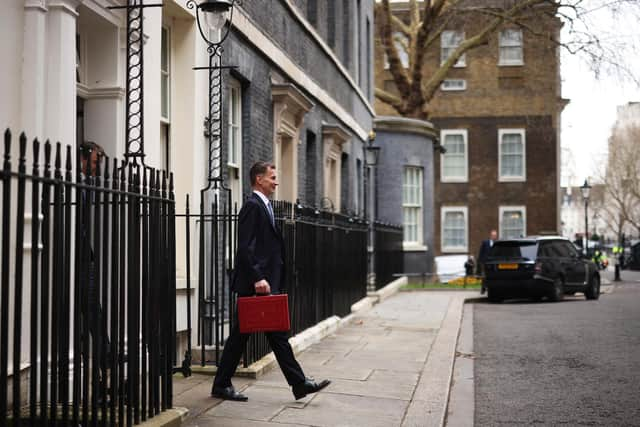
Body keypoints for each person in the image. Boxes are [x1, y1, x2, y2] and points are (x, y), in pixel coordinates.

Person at [211, 161, 330, 402]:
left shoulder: (264, 206)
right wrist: (259, 278)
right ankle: (296, 384)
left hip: (265, 283)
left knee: (267, 335)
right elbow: (245, 248)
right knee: (250, 336)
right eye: (272, 177)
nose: (276, 181)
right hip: (259, 284)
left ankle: (298, 384)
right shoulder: (252, 206)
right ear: (259, 180)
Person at [477, 229, 498, 294]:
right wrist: (480, 261)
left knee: (492, 276)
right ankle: (483, 288)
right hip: (485, 262)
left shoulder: (497, 243)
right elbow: (481, 252)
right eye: (493, 235)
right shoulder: (485, 242)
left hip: (494, 262)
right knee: (484, 275)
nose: (494, 237)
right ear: (490, 236)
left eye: (495, 235)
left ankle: (492, 288)